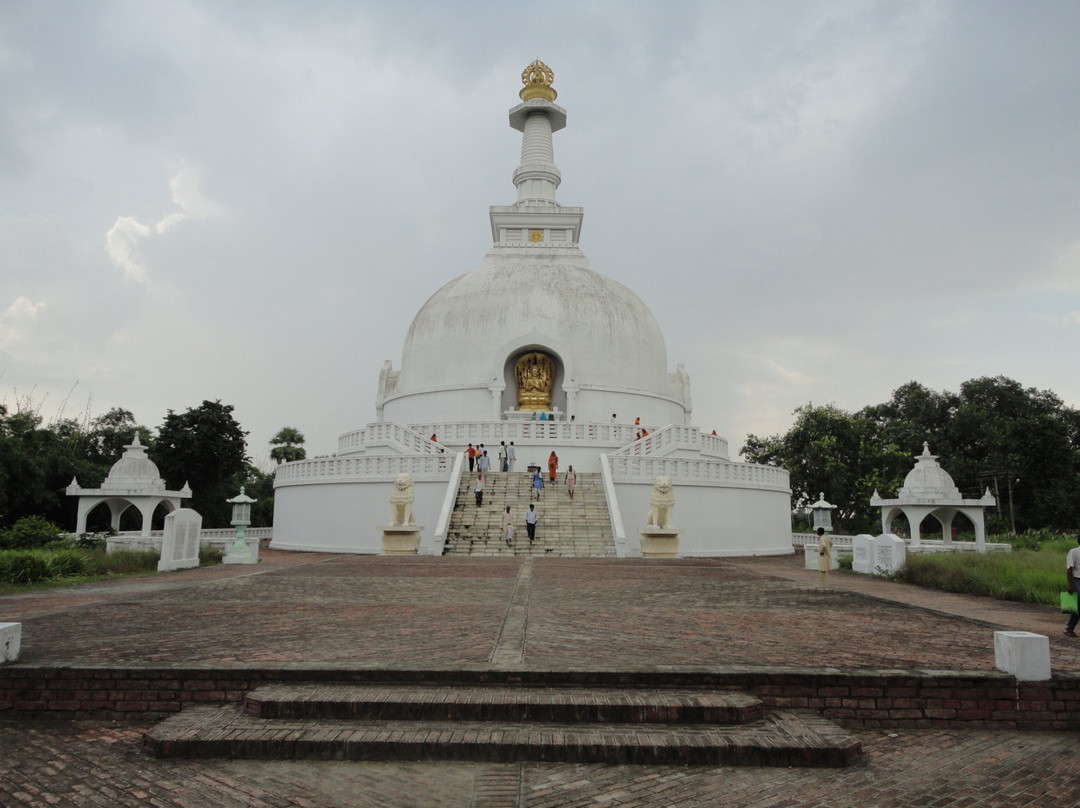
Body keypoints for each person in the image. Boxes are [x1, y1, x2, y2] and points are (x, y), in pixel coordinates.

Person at [1066, 534, 1080, 636]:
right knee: (1078, 603)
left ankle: (1070, 627)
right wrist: (1070, 584)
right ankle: (1069, 627)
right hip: (1077, 579)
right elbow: (1069, 569)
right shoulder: (1074, 552)